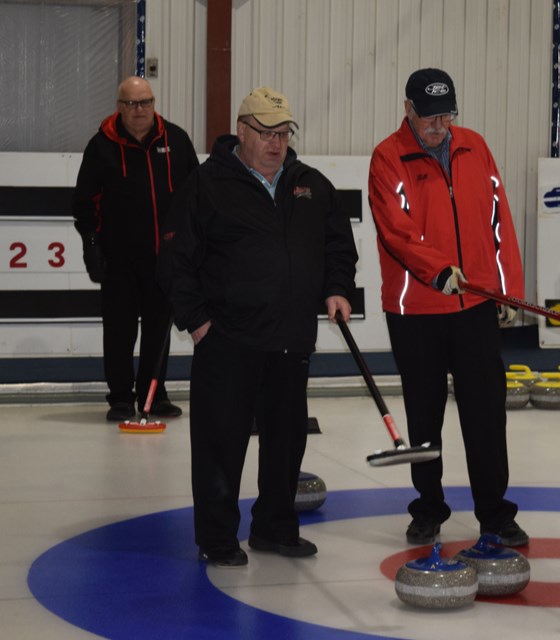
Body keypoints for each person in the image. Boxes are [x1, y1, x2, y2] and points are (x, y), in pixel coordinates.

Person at [158, 86, 358, 567]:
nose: (276, 143)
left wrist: (337, 288)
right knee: (219, 446)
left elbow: (337, 244)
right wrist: (197, 322)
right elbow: (174, 259)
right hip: (227, 339)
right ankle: (219, 538)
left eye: (284, 133)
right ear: (242, 132)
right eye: (266, 133)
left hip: (290, 338)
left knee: (287, 442)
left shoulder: (310, 184)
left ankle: (275, 527)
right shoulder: (206, 185)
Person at [368, 68, 528, 547]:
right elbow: (397, 232)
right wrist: (439, 271)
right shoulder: (388, 157)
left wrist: (507, 289)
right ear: (408, 110)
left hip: (475, 302)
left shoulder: (475, 147)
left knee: (485, 412)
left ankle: (495, 513)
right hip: (416, 310)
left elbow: (500, 221)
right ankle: (429, 507)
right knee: (424, 416)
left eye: (446, 115)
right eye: (429, 116)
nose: (439, 125)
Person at [73, 76, 199, 422]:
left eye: (145, 102)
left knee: (159, 332)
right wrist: (92, 247)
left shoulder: (177, 140)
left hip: (165, 261)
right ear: (119, 107)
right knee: (119, 332)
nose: (139, 110)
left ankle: (153, 396)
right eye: (131, 103)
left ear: (154, 103)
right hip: (119, 262)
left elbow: (196, 197)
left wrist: (191, 248)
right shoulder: (101, 146)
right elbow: (85, 203)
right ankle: (120, 398)